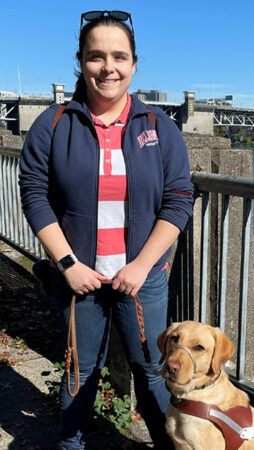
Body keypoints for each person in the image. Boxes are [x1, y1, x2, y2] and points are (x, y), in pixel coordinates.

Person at [19, 11, 193, 449]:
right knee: (79, 370)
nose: (108, 67)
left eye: (119, 56)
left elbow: (178, 199)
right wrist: (67, 264)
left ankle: (166, 444)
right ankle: (72, 444)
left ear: (134, 64)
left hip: (143, 279)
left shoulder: (159, 127)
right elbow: (35, 196)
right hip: (80, 279)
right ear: (80, 61)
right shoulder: (54, 124)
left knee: (152, 370)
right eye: (96, 56)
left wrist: (141, 266)